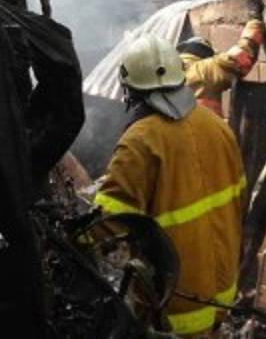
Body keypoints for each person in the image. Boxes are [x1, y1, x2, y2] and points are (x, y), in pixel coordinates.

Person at [94, 34, 245, 337]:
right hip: (222, 292)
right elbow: (239, 201)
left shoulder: (139, 141)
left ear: (130, 88)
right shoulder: (218, 126)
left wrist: (71, 240)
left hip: (174, 306)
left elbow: (107, 221)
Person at [177, 0, 265, 117]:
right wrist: (255, 20)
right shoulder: (203, 71)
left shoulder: (169, 71)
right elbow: (243, 55)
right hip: (204, 128)